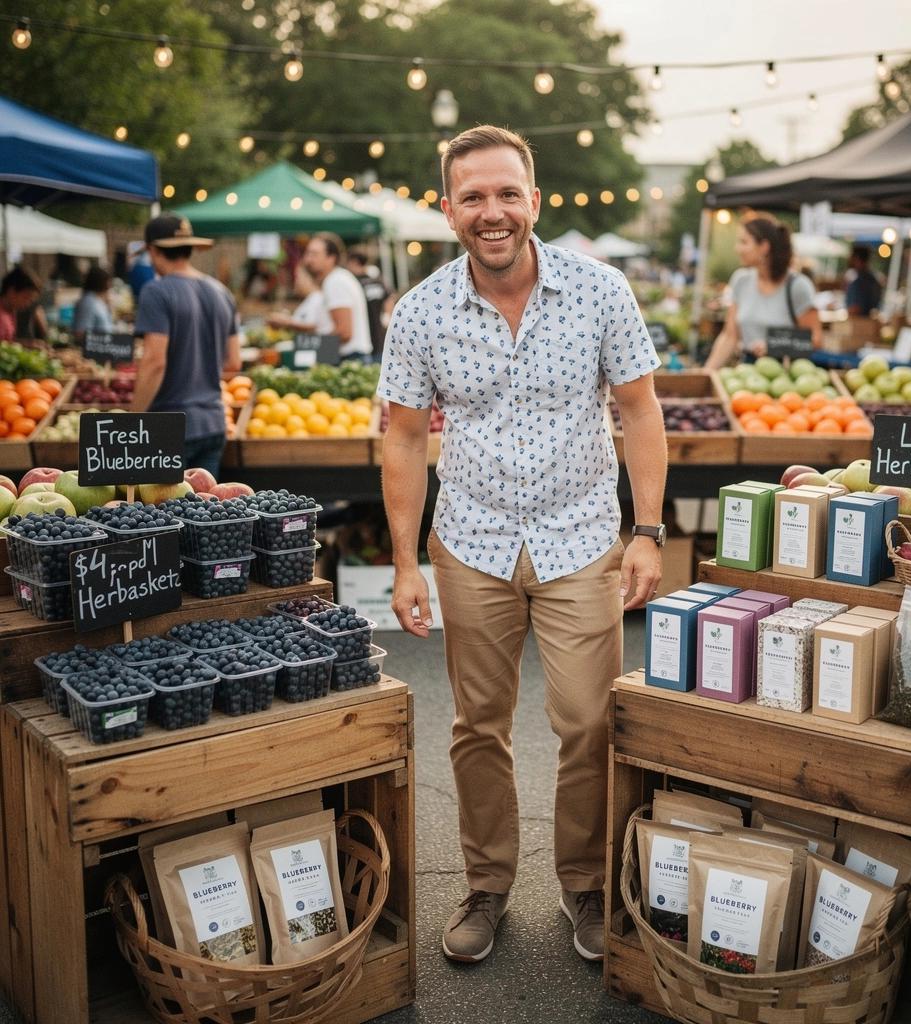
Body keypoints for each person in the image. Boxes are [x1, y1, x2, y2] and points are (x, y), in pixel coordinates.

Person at [378, 125, 667, 965]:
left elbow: (640, 409)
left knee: (589, 719)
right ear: (448, 210)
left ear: (534, 201)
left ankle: (584, 882)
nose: (492, 211)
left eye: (507, 193)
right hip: (472, 540)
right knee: (478, 724)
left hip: (580, 535)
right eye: (473, 196)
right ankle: (487, 884)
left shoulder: (600, 289)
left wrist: (647, 532)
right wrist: (405, 562)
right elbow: (403, 437)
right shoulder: (420, 310)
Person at [132, 214, 242, 477]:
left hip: (169, 429)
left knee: (165, 506)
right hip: (214, 423)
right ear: (190, 248)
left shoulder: (156, 292)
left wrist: (131, 423)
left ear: (153, 251)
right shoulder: (221, 292)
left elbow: (155, 362)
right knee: (203, 503)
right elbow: (234, 362)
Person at [704, 212, 821, 368]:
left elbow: (815, 339)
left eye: (744, 242)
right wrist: (706, 372)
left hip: (785, 371)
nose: (737, 248)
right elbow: (729, 336)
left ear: (764, 247)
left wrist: (774, 346)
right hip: (748, 369)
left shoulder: (797, 286)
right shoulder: (741, 280)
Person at [267, 233, 372, 359]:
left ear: (331, 258)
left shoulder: (335, 281)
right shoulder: (335, 280)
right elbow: (323, 327)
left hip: (351, 359)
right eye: (307, 254)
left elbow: (344, 333)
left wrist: (311, 353)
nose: (307, 260)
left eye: (314, 254)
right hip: (348, 357)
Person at [346, 248, 394, 359]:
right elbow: (390, 296)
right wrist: (387, 315)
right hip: (381, 336)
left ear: (353, 262)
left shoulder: (353, 283)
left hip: (363, 339)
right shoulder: (377, 280)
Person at [0, 266, 42, 342]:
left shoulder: (11, 312)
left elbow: (7, 341)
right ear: (12, 291)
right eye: (26, 297)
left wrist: (28, 344)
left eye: (30, 300)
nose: (28, 303)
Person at [72, 266, 115, 336]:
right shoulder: (87, 302)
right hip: (94, 342)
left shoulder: (98, 300)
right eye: (108, 281)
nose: (110, 285)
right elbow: (80, 332)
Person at [844, 245, 882, 316]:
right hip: (868, 319)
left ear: (857, 258)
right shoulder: (872, 279)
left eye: (851, 256)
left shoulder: (860, 282)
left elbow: (855, 309)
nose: (849, 259)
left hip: (858, 321)